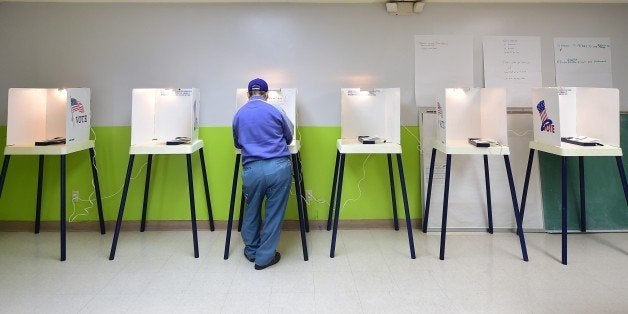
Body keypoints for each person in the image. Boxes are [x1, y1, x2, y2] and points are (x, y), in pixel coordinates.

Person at [232, 78, 294, 270]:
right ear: (267, 94)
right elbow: (289, 136)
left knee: (251, 210)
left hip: (252, 170)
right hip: (278, 168)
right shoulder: (276, 110)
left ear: (248, 94)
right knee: (273, 214)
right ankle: (265, 258)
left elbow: (237, 143)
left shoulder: (238, 115)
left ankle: (251, 252)